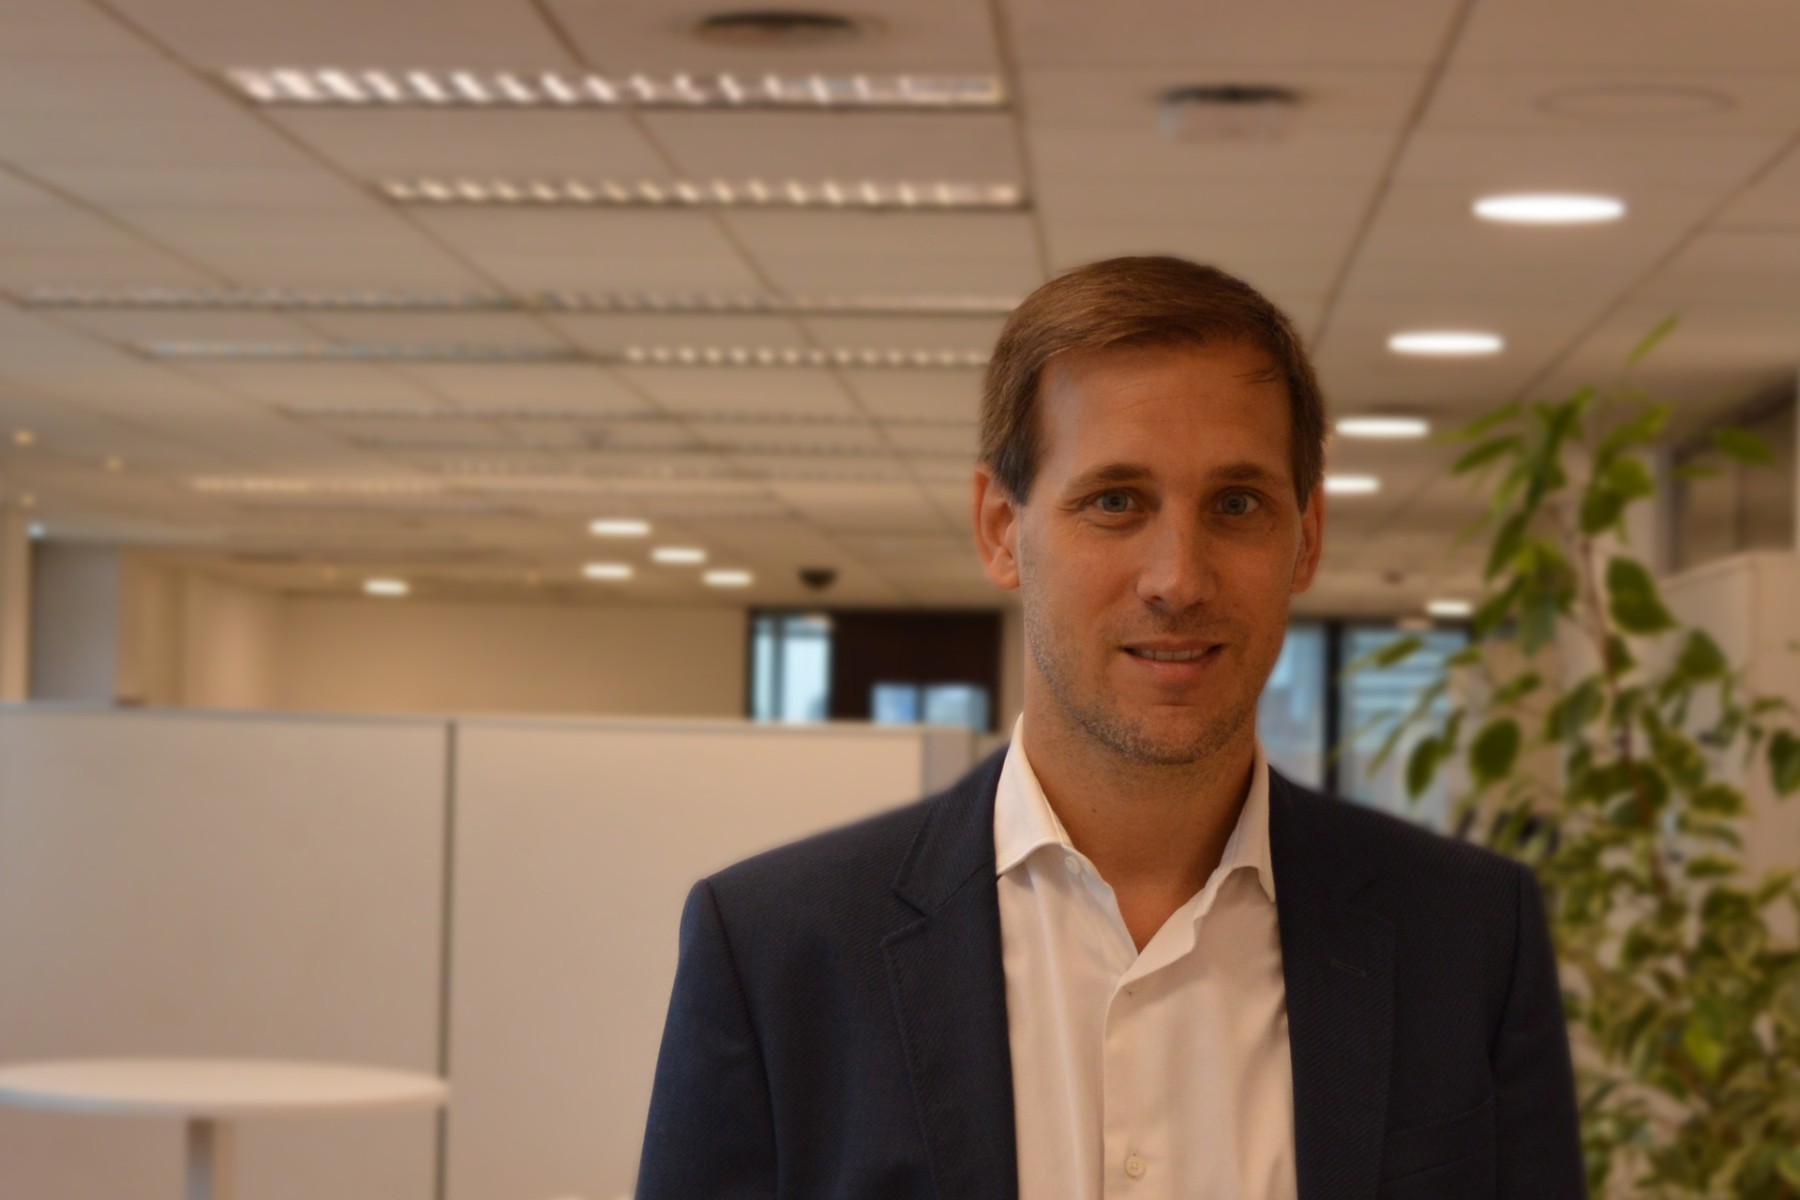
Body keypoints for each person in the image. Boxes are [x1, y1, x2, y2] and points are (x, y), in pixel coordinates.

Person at [635, 256, 1585, 1199]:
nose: (1179, 578)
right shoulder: (778, 951)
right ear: (1001, 529)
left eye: (1238, 505)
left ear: (1308, 538)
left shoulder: (1466, 939)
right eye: (1115, 502)